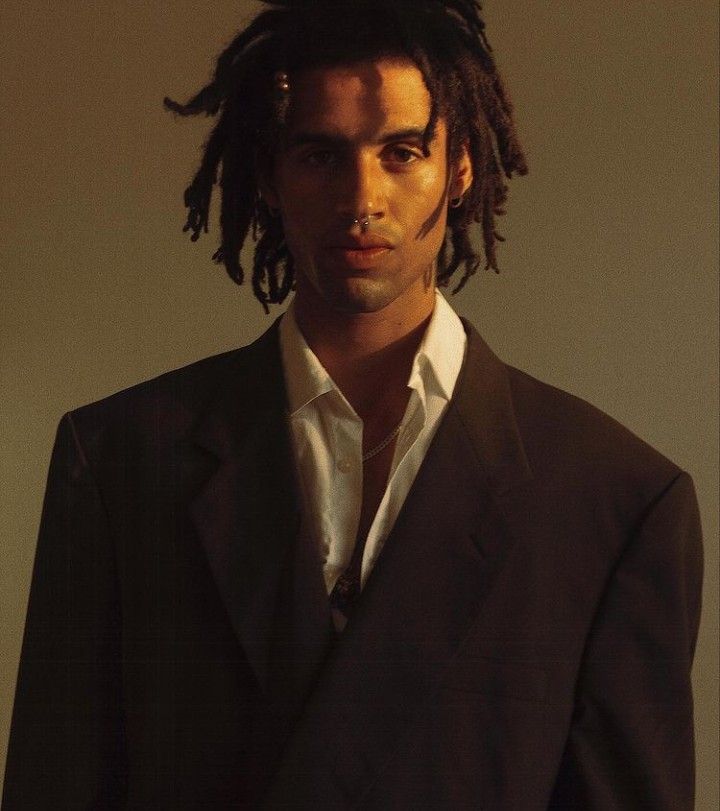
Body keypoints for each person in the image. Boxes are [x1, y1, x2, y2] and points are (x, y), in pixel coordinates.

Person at [2, 1, 703, 808]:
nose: (362, 197)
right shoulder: (121, 462)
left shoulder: (614, 502)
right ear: (269, 173)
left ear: (462, 165)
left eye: (402, 153)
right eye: (320, 155)